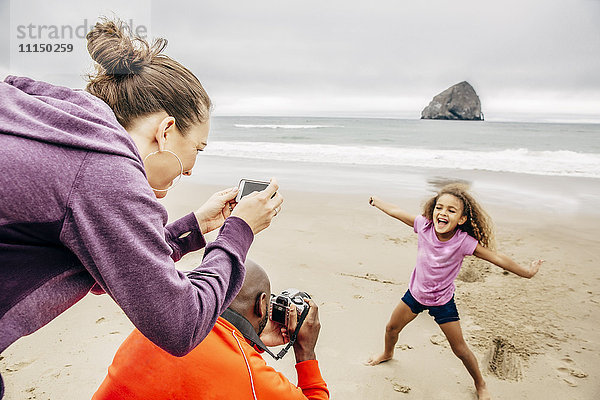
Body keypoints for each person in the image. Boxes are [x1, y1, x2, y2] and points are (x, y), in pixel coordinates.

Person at [0, 18, 283, 398]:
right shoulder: (103, 170)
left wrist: (195, 227)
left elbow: (112, 267)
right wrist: (239, 231)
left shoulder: (55, 124)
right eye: (197, 148)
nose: (194, 166)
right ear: (166, 131)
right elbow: (181, 323)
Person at [365, 184, 543, 400]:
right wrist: (377, 201)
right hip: (415, 294)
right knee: (391, 328)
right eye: (439, 207)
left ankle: (480, 383)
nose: (443, 213)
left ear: (461, 219)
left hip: (442, 302)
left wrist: (526, 272)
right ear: (432, 211)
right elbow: (397, 212)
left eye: (451, 210)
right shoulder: (424, 226)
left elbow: (497, 258)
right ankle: (387, 353)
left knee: (460, 349)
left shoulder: (463, 242)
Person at [92, 260, 329, 399]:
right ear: (262, 304)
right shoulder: (246, 372)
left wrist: (254, 339)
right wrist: (305, 351)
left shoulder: (156, 325)